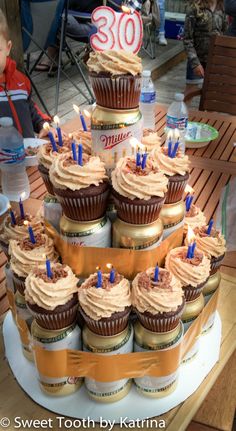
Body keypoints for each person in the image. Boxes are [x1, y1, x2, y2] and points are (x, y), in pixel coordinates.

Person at [0, 9, 54, 138]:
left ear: (8, 48)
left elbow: (30, 108)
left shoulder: (20, 80)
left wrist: (43, 124)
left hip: (29, 153)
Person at [183, 0, 227, 95]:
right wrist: (195, 63)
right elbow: (187, 39)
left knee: (212, 96)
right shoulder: (194, 8)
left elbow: (224, 33)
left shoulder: (222, 8)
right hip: (196, 60)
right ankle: (182, 110)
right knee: (189, 93)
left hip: (214, 61)